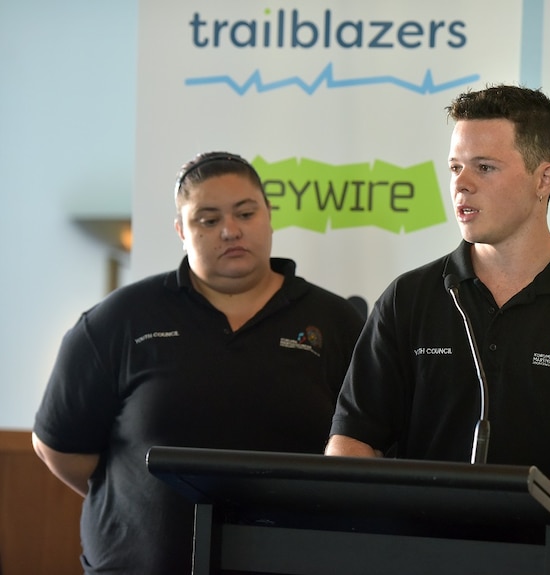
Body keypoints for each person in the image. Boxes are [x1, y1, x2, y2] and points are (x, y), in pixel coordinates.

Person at [326, 85, 550, 523]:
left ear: (544, 179)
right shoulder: (409, 298)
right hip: (414, 549)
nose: (461, 184)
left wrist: (510, 512)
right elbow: (351, 439)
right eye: (455, 167)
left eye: (484, 168)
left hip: (543, 554)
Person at [32, 151, 365, 574]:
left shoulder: (335, 321)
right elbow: (58, 446)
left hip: (294, 561)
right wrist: (141, 498)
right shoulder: (121, 318)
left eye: (246, 212)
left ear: (269, 215)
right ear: (181, 231)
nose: (230, 230)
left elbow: (366, 447)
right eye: (207, 220)